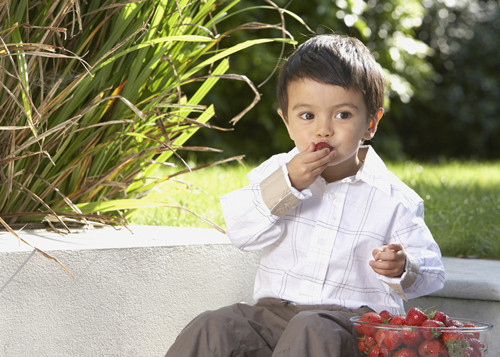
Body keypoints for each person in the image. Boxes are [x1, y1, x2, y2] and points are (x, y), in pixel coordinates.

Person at [165, 34, 445, 357]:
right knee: (212, 326)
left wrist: (403, 267)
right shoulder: (276, 173)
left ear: (371, 122)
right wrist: (288, 184)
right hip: (274, 315)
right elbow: (240, 231)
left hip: (351, 324)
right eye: (307, 116)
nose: (323, 129)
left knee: (310, 328)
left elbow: (433, 273)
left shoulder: (393, 197)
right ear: (286, 122)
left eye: (342, 115)